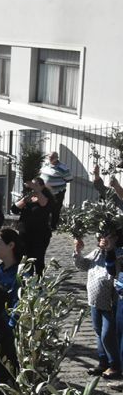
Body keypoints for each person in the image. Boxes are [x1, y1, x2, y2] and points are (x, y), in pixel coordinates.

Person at [73, 228, 121, 379]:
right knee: (99, 332)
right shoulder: (96, 254)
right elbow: (81, 265)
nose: (104, 239)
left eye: (108, 237)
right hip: (94, 301)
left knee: (108, 334)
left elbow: (114, 272)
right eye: (102, 236)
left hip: (109, 303)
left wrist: (110, 251)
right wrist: (77, 250)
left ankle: (115, 364)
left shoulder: (118, 255)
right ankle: (103, 362)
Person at [10, 177, 54, 275]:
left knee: (38, 260)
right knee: (25, 259)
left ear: (42, 186)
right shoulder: (27, 196)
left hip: (40, 234)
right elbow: (14, 209)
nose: (32, 187)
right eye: (31, 185)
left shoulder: (46, 196)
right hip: (24, 233)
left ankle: (39, 283)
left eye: (36, 185)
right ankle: (26, 281)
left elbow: (44, 204)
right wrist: (25, 199)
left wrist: (37, 191)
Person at [39, 152, 72, 230]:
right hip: (45, 191)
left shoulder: (63, 167)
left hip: (57, 192)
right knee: (44, 208)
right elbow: (40, 172)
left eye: (52, 157)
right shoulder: (46, 164)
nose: (49, 158)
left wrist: (56, 182)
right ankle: (44, 225)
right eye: (49, 157)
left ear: (57, 158)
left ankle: (53, 226)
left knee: (55, 209)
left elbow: (69, 179)